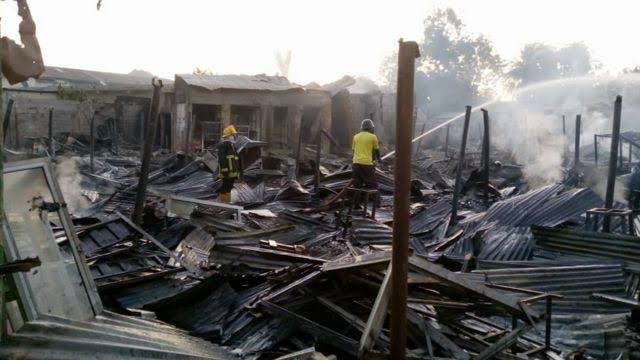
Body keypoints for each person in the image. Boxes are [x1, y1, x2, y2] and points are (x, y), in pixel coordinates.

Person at [352, 119, 381, 189]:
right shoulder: (373, 137)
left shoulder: (355, 137)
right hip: (367, 165)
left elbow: (353, 150)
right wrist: (379, 159)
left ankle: (358, 199)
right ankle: (374, 199)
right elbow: (376, 150)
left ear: (362, 128)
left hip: (355, 164)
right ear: (371, 128)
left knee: (357, 186)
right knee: (373, 186)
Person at [216, 125, 240, 203]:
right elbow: (222, 159)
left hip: (232, 172)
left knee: (228, 187)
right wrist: (225, 171)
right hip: (227, 172)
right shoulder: (223, 145)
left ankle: (225, 202)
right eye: (233, 135)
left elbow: (235, 159)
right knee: (225, 187)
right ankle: (223, 203)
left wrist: (238, 171)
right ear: (228, 136)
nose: (234, 136)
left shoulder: (232, 145)